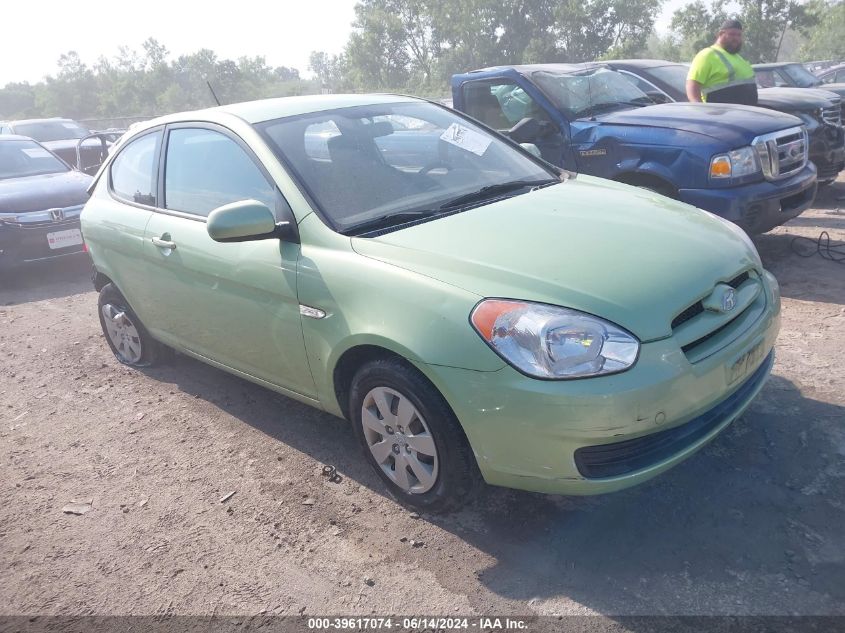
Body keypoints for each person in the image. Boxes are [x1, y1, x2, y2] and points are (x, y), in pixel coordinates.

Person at [686, 19, 758, 106]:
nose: (736, 38)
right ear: (720, 34)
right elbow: (692, 87)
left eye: (739, 35)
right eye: (732, 34)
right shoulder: (707, 55)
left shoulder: (738, 57)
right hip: (720, 116)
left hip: (745, 114)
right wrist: (701, 112)